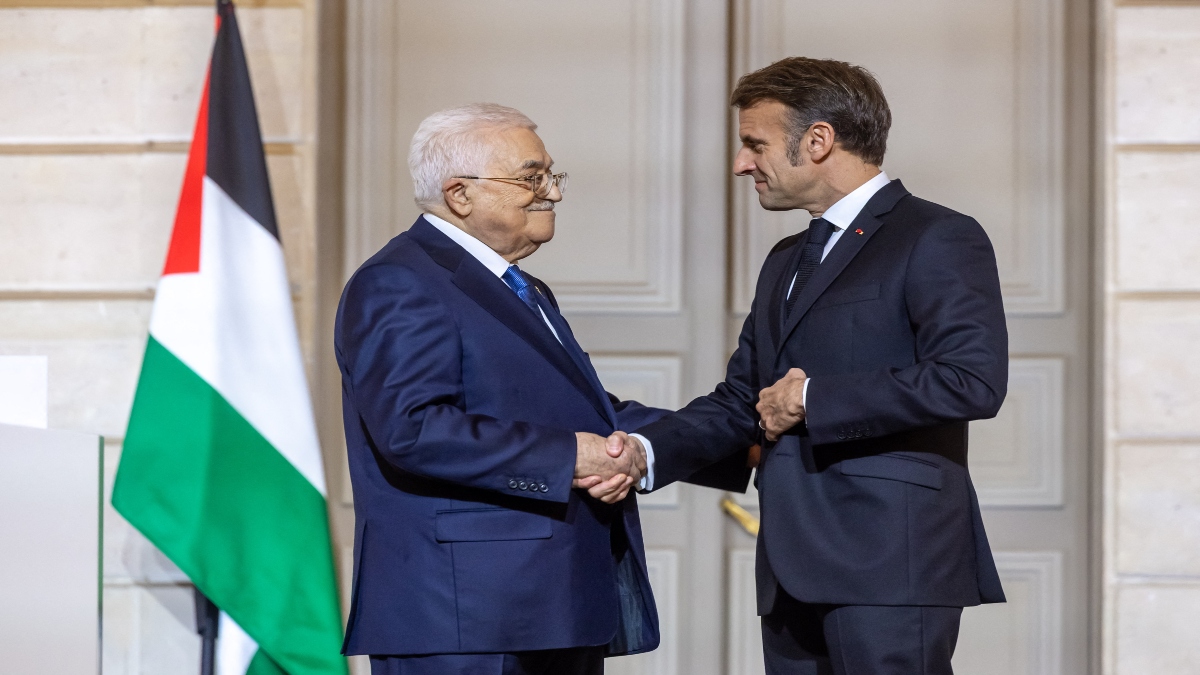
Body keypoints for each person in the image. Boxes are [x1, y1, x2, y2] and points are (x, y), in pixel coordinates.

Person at [605, 57, 1010, 674]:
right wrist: (640, 449)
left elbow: (971, 379)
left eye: (754, 144)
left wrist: (813, 399)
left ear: (818, 141)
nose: (743, 164)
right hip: (791, 569)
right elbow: (744, 401)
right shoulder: (785, 258)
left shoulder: (936, 236)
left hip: (889, 566)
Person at [335, 103, 669, 675]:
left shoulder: (520, 286)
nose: (553, 193)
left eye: (551, 176)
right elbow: (413, 429)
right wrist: (571, 458)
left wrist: (735, 436)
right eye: (531, 177)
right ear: (460, 195)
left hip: (546, 608)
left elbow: (579, 411)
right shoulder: (399, 281)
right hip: (464, 619)